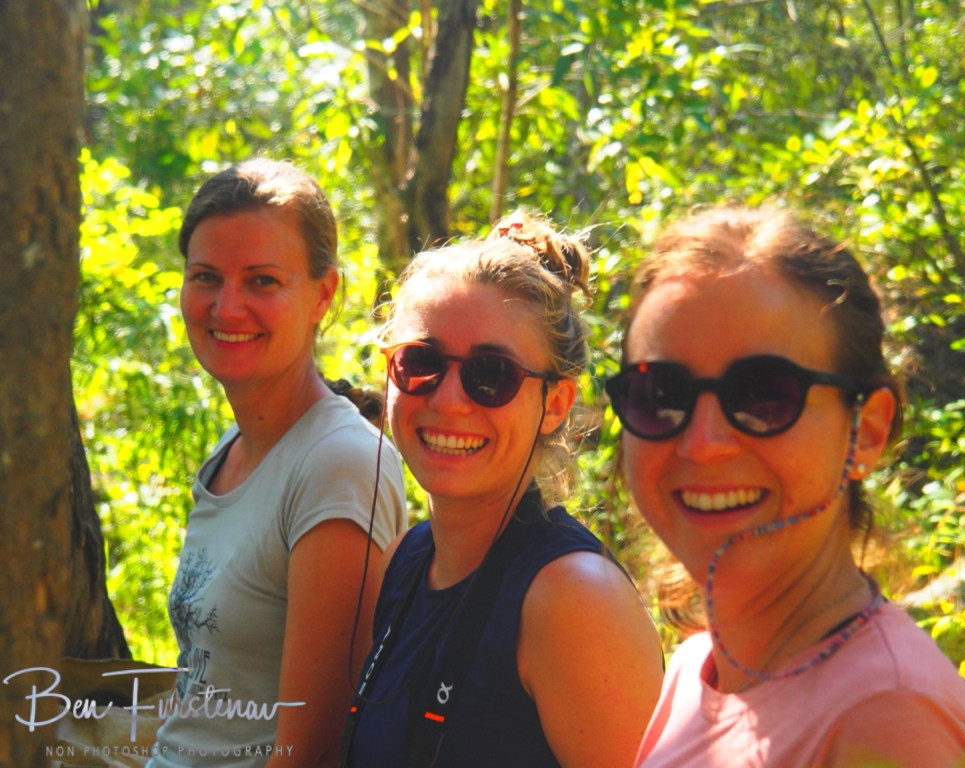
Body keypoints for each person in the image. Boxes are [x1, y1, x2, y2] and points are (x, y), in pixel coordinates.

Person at [606, 205, 965, 768]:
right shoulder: (697, 672)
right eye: (661, 394)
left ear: (865, 431)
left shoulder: (889, 719)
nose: (702, 443)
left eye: (764, 395)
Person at [341, 213, 665, 767]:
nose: (448, 400)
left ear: (556, 404)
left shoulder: (574, 599)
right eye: (420, 362)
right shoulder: (407, 559)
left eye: (491, 374)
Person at [148, 159, 407, 767]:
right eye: (206, 276)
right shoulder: (231, 451)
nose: (227, 307)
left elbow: (310, 749)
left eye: (262, 281)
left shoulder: (338, 465)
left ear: (323, 295)